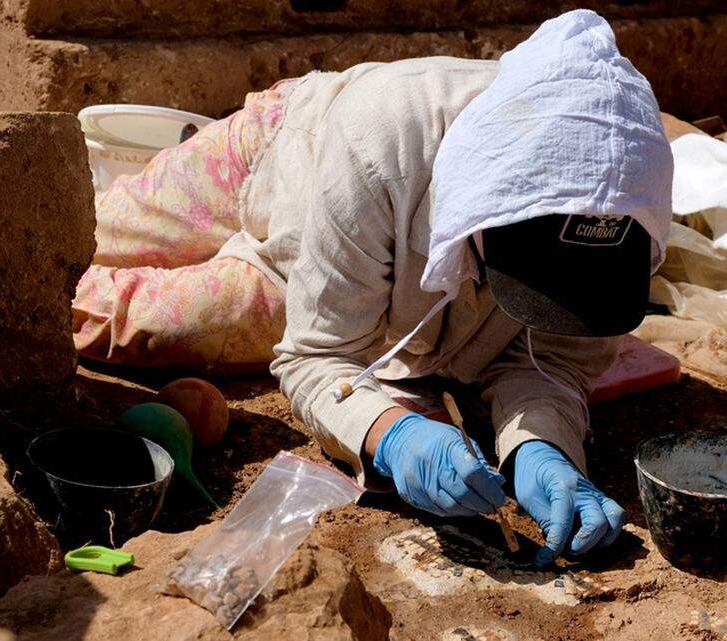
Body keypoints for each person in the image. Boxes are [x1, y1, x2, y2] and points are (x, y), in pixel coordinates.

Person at [73, 10, 673, 566]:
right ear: (483, 210)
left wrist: (541, 446)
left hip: (300, 286)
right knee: (69, 246)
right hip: (284, 154)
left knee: (117, 320)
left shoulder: (627, 215)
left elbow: (550, 365)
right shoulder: (386, 137)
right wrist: (398, 437)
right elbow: (319, 358)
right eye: (534, 277)